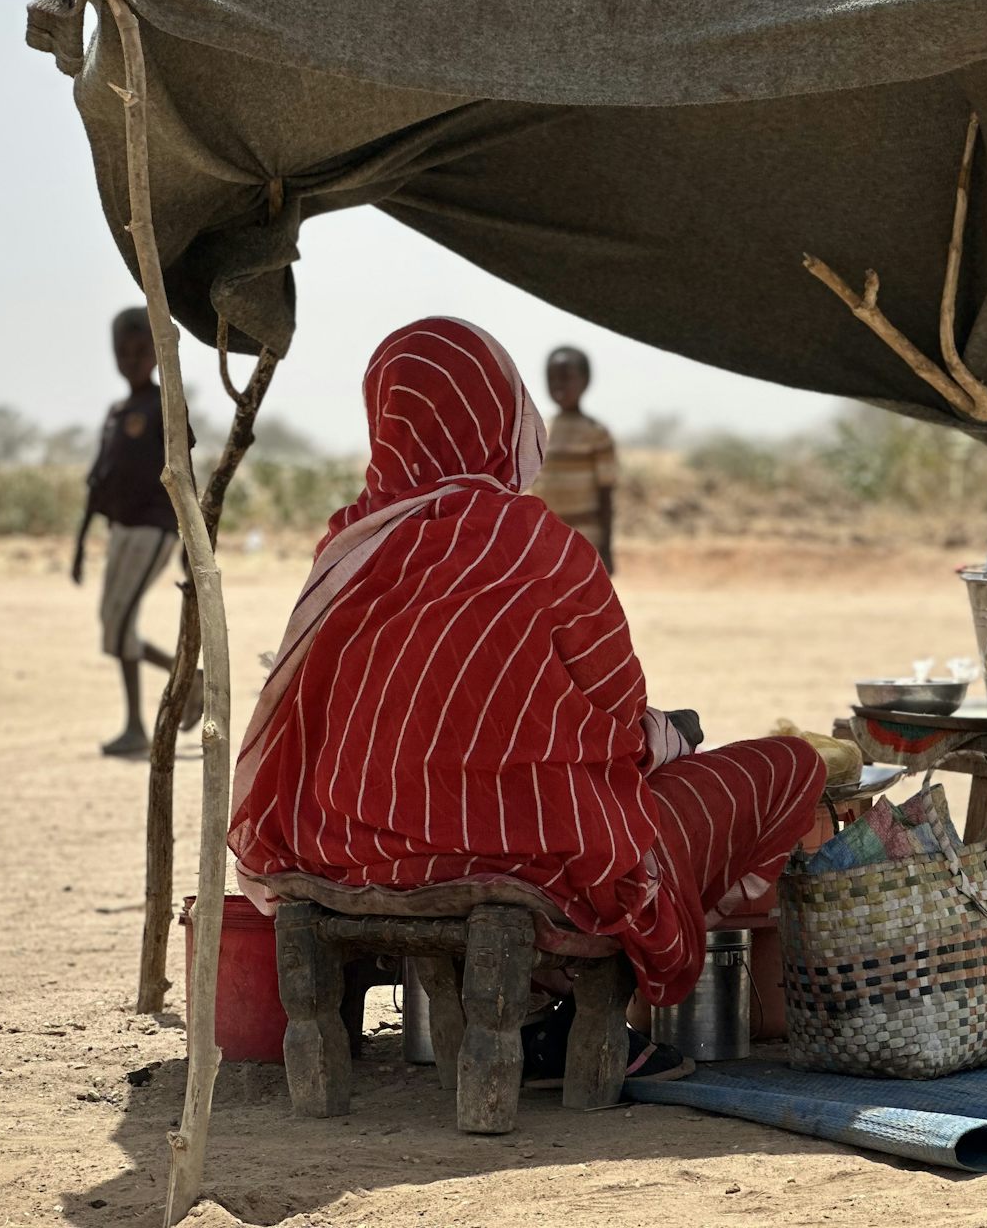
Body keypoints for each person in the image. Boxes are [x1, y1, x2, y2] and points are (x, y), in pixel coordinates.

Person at [229, 318, 825, 1084]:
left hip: (344, 846)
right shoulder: (535, 543)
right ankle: (579, 1017)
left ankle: (535, 1012)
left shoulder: (348, 547)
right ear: (501, 412)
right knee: (786, 765)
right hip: (519, 849)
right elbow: (617, 712)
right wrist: (670, 737)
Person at [72, 307, 201, 757]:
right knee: (113, 625)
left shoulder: (164, 405)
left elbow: (184, 471)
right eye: (121, 352)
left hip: (155, 527)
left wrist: (193, 540)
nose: (130, 360)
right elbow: (100, 478)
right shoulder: (118, 411)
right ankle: (178, 690)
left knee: (121, 622)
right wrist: (78, 544)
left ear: (154, 353)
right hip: (122, 529)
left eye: (139, 350)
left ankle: (152, 712)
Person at [531, 345, 619, 571]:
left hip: (586, 539)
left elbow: (606, 493)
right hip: (547, 539)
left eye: (567, 378)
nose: (559, 385)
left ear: (585, 381)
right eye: (552, 378)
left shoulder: (596, 433)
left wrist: (607, 549)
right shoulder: (540, 430)